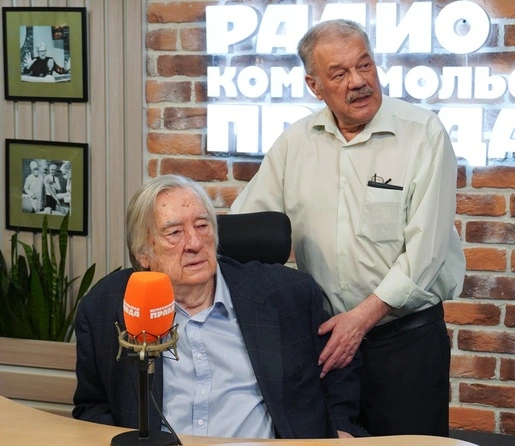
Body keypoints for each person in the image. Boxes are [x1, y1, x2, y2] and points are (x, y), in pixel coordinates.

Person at [231, 19, 465, 437]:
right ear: (314, 85)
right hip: (328, 347)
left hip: (404, 344)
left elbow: (426, 253)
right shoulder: (295, 143)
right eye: (339, 74)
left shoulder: (422, 134)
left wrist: (360, 320)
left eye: (365, 65)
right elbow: (248, 231)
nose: (358, 82)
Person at [72, 174, 367, 439]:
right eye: (174, 233)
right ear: (143, 253)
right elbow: (92, 406)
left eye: (202, 226)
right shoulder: (105, 307)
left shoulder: (287, 294)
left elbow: (339, 366)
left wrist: (340, 428)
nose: (194, 243)